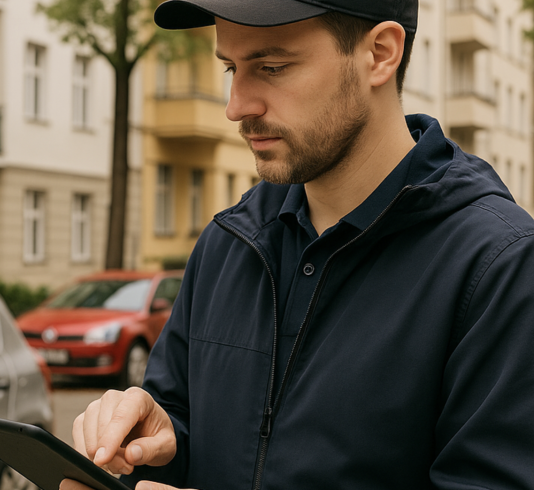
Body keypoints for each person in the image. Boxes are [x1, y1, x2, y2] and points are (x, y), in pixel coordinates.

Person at [63, 0, 534, 489]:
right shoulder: (228, 243)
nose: (236, 106)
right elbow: (186, 424)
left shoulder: (500, 267)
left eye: (272, 67)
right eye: (231, 68)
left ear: (379, 53)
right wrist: (148, 444)